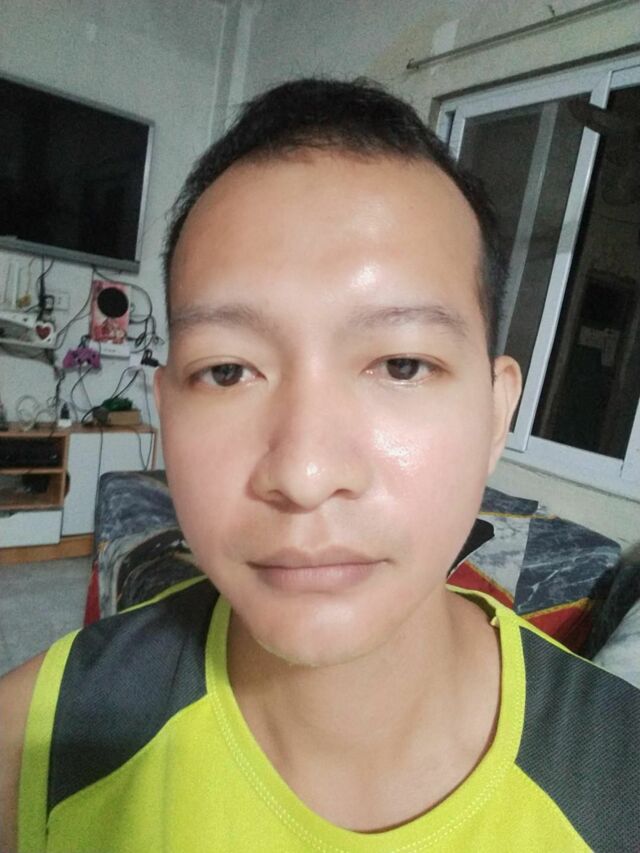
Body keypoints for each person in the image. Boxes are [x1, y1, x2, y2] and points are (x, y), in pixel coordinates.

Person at [1, 77, 638, 852]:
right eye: (228, 370)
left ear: (496, 415)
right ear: (166, 413)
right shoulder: (34, 743)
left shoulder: (620, 784)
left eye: (401, 364)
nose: (304, 476)